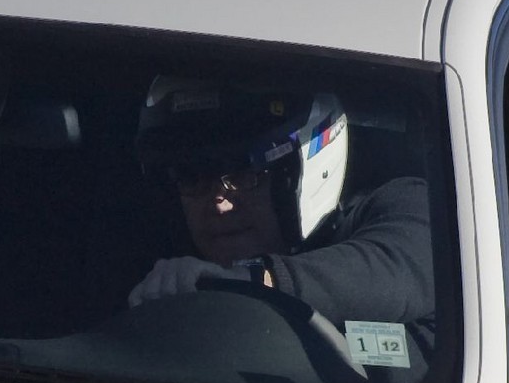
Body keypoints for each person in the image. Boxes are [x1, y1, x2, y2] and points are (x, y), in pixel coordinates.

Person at [126, 79, 435, 368]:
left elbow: (398, 270)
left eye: (245, 175)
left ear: (300, 172)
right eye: (192, 179)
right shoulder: (154, 278)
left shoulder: (402, 206)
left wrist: (253, 279)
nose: (219, 203)